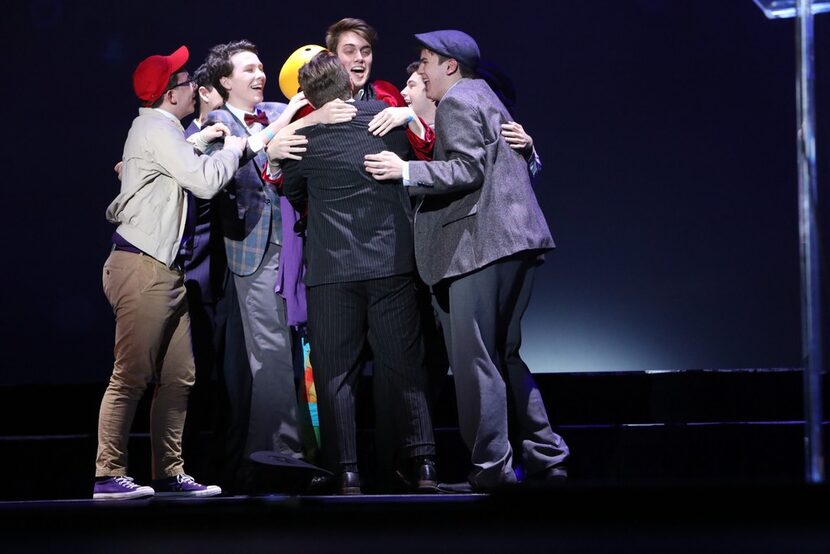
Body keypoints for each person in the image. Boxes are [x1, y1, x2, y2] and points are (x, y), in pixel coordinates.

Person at [364, 30, 570, 491]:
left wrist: (405, 171)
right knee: (505, 355)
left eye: (424, 63)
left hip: (479, 246)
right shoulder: (487, 96)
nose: (419, 71)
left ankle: (492, 468)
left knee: (476, 358)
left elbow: (467, 168)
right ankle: (544, 452)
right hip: (516, 242)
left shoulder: (458, 101)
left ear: (450, 66)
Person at [94, 45, 246, 500]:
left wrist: (200, 140)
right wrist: (232, 150)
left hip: (166, 272)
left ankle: (168, 474)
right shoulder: (153, 126)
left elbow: (170, 162)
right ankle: (107, 474)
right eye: (184, 84)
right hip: (142, 269)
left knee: (179, 377)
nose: (192, 90)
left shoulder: (164, 131)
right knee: (131, 375)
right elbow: (202, 180)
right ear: (170, 96)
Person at [282, 53, 437, 495]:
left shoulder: (307, 135)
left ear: (310, 97)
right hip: (391, 264)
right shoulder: (386, 119)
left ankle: (347, 472)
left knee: (336, 373)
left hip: (332, 272)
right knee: (405, 365)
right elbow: (419, 154)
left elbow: (291, 190)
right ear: (349, 84)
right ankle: (424, 463)